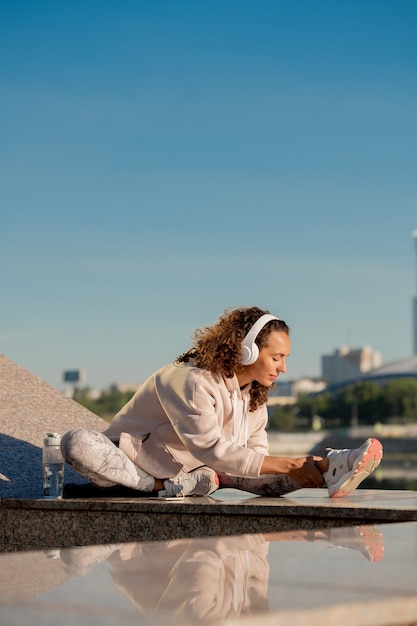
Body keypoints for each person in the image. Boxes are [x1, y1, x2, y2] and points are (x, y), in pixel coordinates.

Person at [61, 306, 383, 499]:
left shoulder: (254, 396)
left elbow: (256, 459)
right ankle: (163, 487)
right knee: (76, 443)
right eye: (277, 357)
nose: (283, 368)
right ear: (248, 351)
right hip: (129, 466)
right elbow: (211, 449)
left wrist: (300, 467)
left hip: (202, 474)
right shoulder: (190, 379)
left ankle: (333, 468)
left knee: (273, 471)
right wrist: (288, 464)